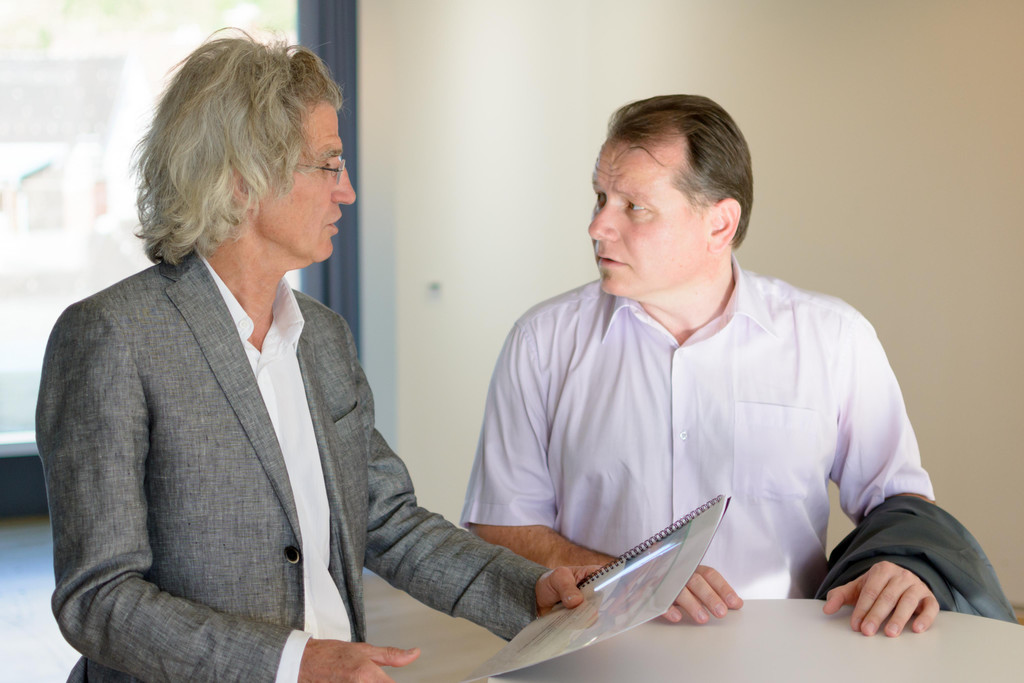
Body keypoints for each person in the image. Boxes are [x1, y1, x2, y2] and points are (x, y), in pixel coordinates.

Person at [35, 32, 589, 683]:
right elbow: (98, 598)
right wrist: (292, 663)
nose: (346, 190)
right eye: (329, 164)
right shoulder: (111, 336)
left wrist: (529, 590)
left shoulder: (323, 336)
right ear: (242, 181)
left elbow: (386, 518)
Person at [461, 94, 944, 639]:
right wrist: (634, 580)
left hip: (781, 662)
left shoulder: (834, 339)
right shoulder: (542, 343)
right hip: (602, 659)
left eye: (633, 207)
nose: (598, 226)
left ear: (720, 224)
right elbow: (500, 526)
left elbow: (899, 505)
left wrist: (901, 566)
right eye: (601, 198)